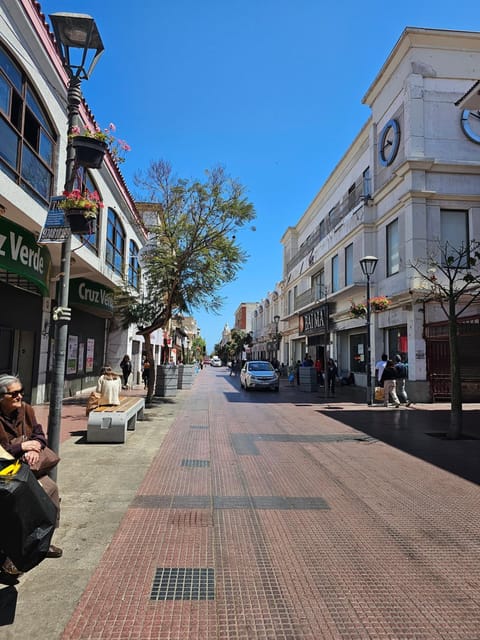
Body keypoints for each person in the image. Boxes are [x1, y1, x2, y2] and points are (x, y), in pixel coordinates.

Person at [0, 374, 62, 575]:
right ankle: (13, 555)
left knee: (50, 489)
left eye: (21, 392)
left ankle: (42, 542)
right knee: (20, 500)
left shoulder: (26, 410)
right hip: (6, 473)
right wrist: (22, 447)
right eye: (14, 394)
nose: (19, 396)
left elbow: (39, 435)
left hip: (27, 469)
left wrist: (34, 449)